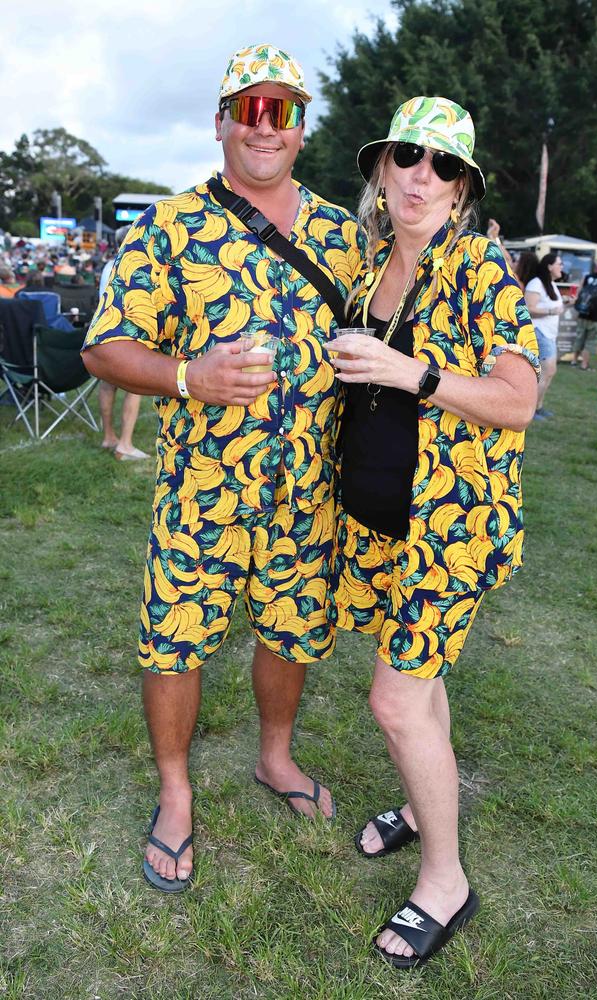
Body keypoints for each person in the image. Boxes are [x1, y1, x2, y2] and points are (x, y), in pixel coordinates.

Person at [82, 43, 365, 892]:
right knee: (176, 640)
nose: (266, 126)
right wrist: (186, 376)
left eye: (283, 110)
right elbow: (105, 345)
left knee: (291, 632)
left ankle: (274, 757)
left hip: (309, 492)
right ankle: (175, 793)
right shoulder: (170, 226)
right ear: (221, 123)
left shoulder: (344, 238)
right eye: (250, 108)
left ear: (304, 129)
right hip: (203, 491)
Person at [325, 95, 539, 970]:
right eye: (408, 156)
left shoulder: (483, 269)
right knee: (422, 680)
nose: (421, 177)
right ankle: (421, 811)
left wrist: (413, 372)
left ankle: (445, 880)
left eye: (443, 166)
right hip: (379, 523)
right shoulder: (370, 261)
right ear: (381, 166)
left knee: (394, 699)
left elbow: (519, 402)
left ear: (463, 189)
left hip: (449, 528)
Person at [97, 226, 150, 460]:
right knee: (134, 388)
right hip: (128, 332)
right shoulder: (133, 263)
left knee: (107, 385)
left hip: (103, 331)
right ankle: (125, 445)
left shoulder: (109, 265)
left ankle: (109, 436)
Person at [524, 251, 564, 419]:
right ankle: (531, 410)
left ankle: (538, 407)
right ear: (549, 266)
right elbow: (528, 308)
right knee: (547, 371)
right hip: (540, 332)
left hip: (549, 334)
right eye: (559, 263)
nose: (562, 267)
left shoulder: (551, 284)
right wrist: (550, 310)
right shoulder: (536, 283)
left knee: (549, 372)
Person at [572, 256, 597, 370]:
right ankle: (584, 364)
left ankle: (574, 360)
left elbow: (578, 294)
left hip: (583, 313)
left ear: (596, 267)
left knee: (579, 338)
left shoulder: (587, 277)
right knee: (591, 341)